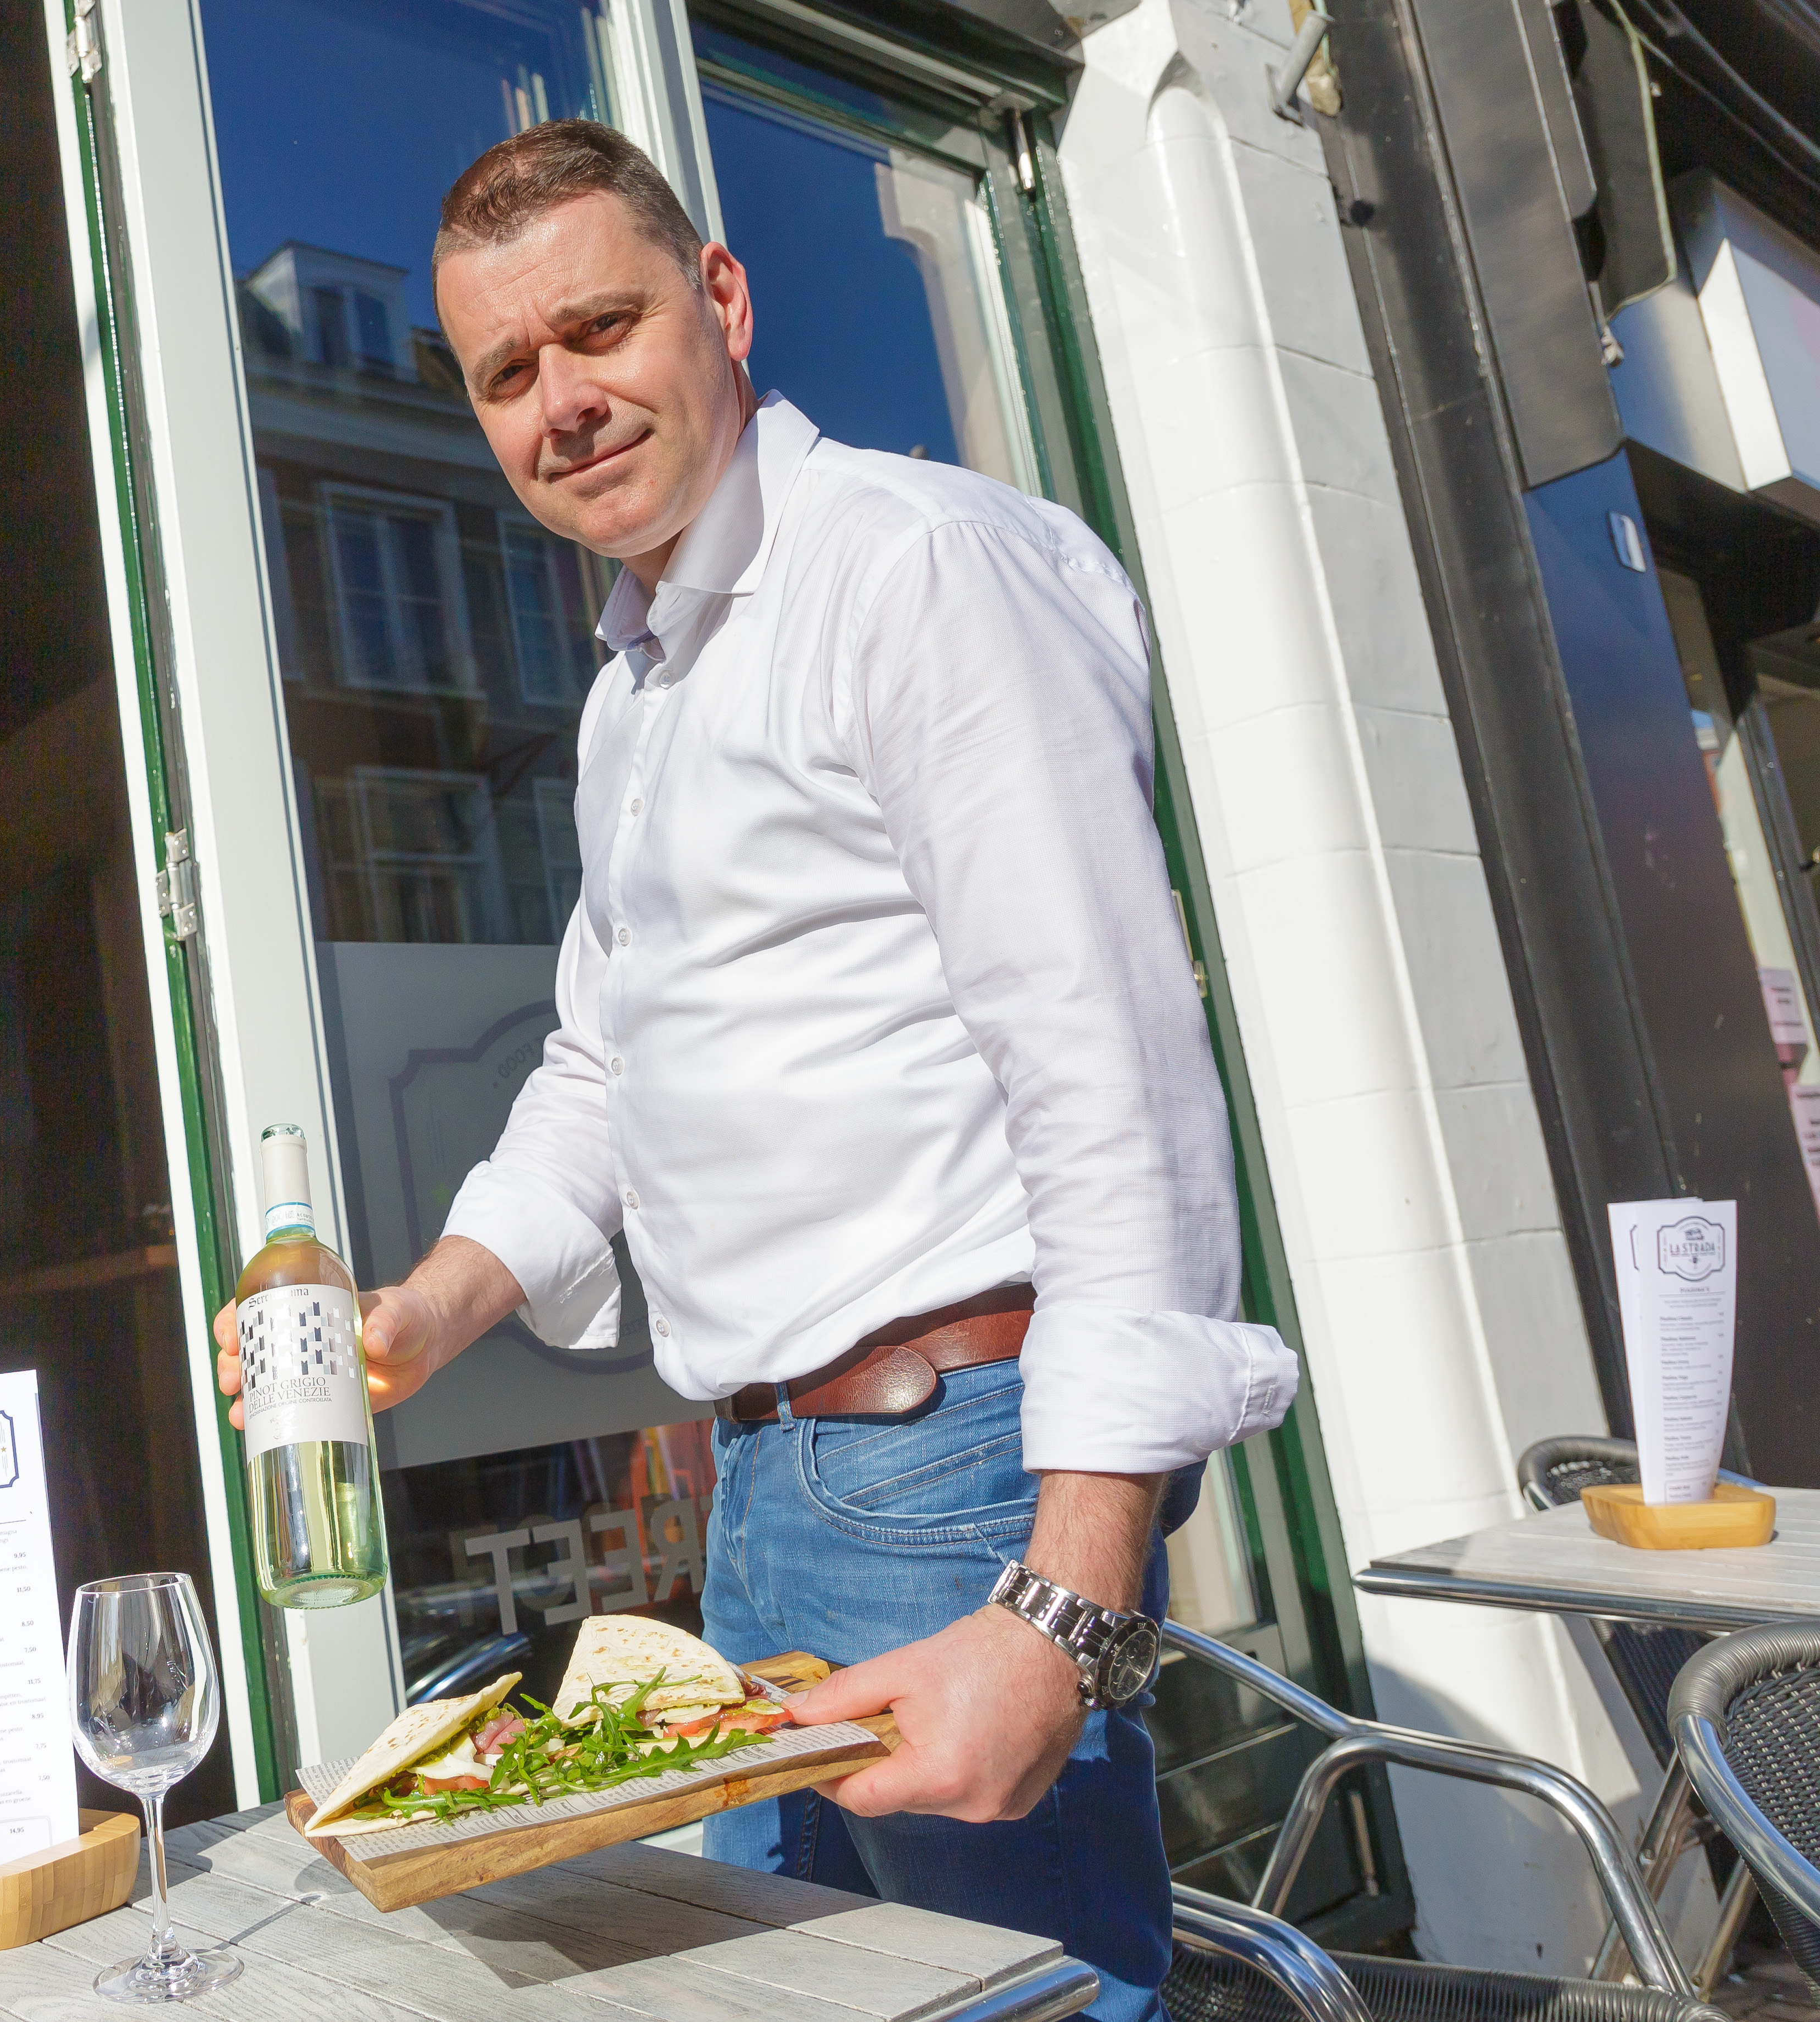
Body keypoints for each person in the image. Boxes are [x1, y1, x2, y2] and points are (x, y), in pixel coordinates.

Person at [212, 120, 1299, 2020]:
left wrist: (1063, 1607)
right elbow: (603, 1059)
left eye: (598, 328)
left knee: (1017, 2007)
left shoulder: (914, 568)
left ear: (720, 297)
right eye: (505, 374)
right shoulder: (640, 689)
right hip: (776, 1490)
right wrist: (418, 1319)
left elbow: (1112, 1073)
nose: (561, 401)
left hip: (959, 1470)